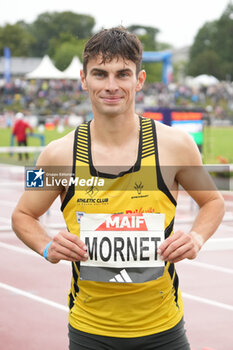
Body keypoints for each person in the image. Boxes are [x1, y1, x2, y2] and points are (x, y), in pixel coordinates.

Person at [11, 27, 225, 350]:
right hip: (89, 332)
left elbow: (213, 202)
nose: (111, 86)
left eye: (122, 74)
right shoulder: (56, 155)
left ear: (139, 80)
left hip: (163, 330)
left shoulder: (176, 147)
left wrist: (196, 238)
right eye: (100, 74)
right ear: (84, 79)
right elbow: (22, 214)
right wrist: (46, 246)